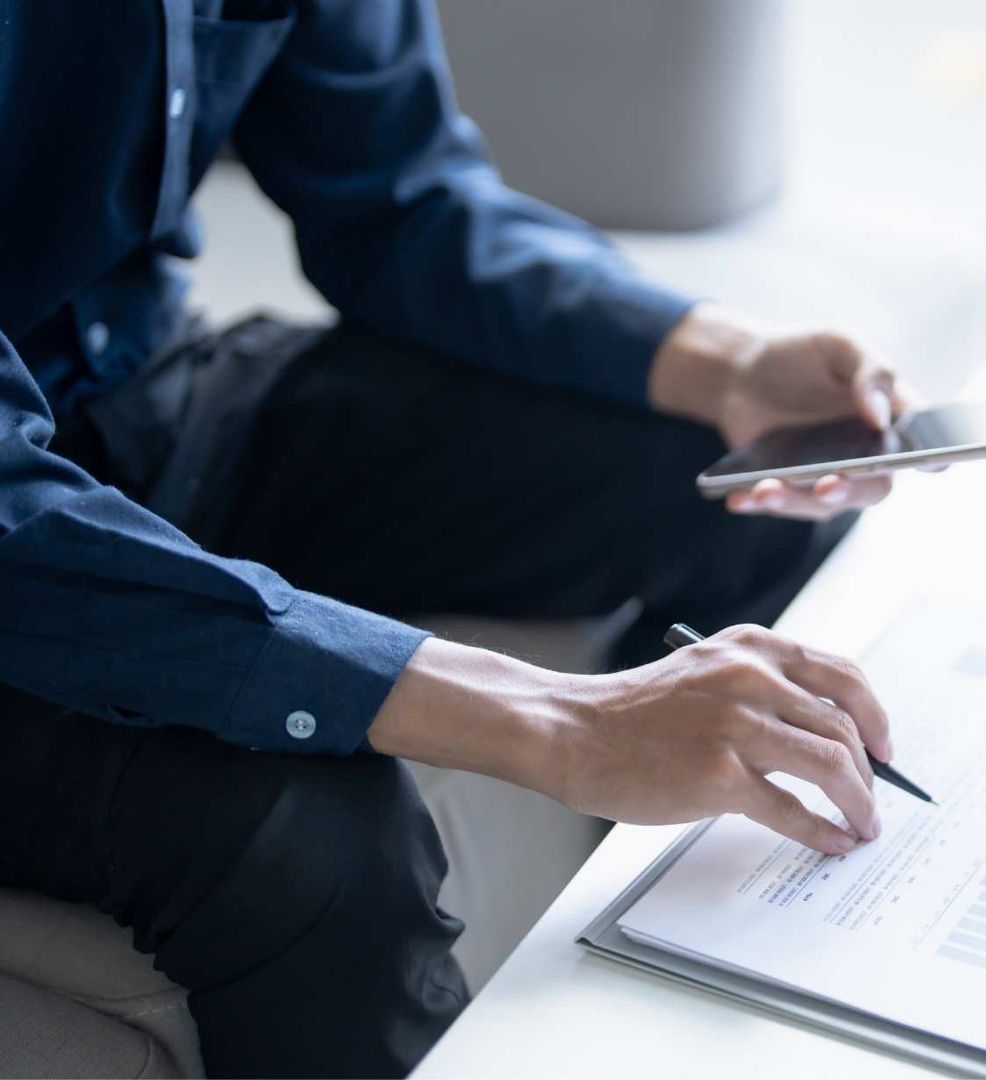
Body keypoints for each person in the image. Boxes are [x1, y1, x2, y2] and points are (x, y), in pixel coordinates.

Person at [0, 1, 909, 1075]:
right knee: (307, 828)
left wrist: (726, 363)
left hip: (141, 397)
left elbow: (399, 197)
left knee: (716, 475)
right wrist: (565, 724)